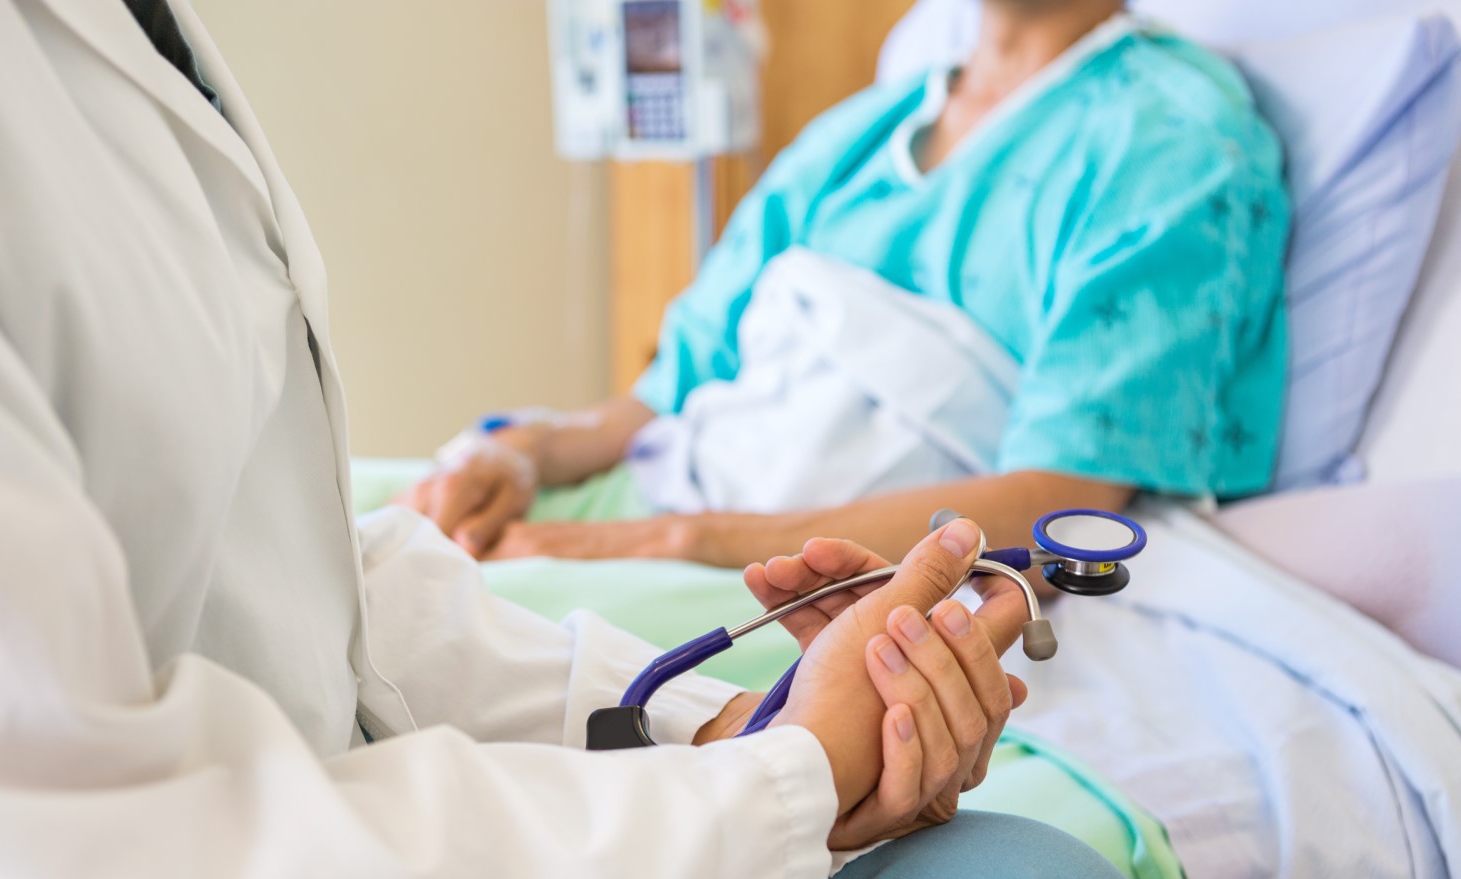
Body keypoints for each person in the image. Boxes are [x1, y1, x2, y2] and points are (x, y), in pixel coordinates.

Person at [0, 2, 1150, 879]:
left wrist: (723, 724)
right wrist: (781, 775)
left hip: (391, 833)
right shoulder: (857, 132)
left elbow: (273, 565)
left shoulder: (1169, 125)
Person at [404, 0, 1291, 569]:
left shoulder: (1180, 142)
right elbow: (667, 391)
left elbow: (1061, 500)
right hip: (669, 490)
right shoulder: (857, 134)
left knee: (404, 635)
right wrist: (524, 451)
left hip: (795, 571)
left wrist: (672, 546)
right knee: (348, 536)